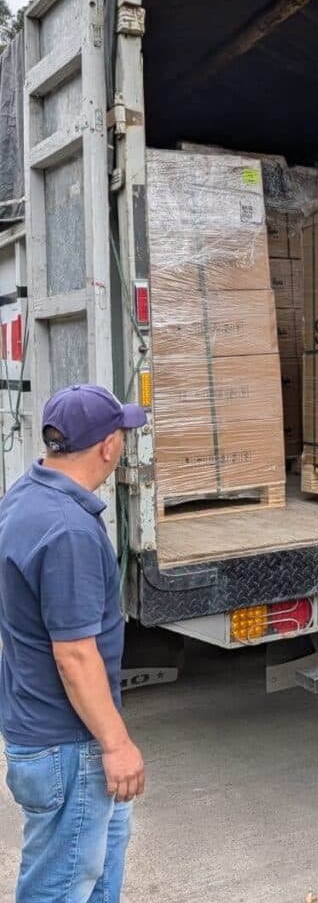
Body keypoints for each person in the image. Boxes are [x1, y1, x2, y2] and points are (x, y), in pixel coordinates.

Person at [0, 384, 147, 903]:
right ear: (109, 446)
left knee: (98, 867)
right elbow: (74, 654)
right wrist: (116, 744)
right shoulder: (68, 532)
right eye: (122, 434)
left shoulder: (24, 496)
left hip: (45, 736)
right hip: (68, 745)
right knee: (59, 889)